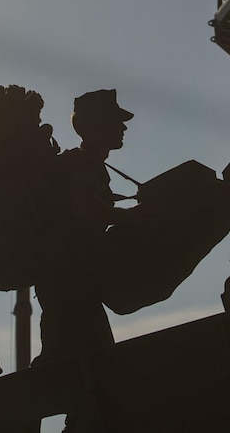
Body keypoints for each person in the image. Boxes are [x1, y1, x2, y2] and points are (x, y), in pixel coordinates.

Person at [33, 90, 141, 367]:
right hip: (68, 279)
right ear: (96, 125)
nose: (123, 127)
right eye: (116, 120)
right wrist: (130, 217)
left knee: (86, 363)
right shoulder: (83, 162)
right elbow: (84, 207)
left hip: (71, 279)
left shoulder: (87, 163)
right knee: (79, 364)